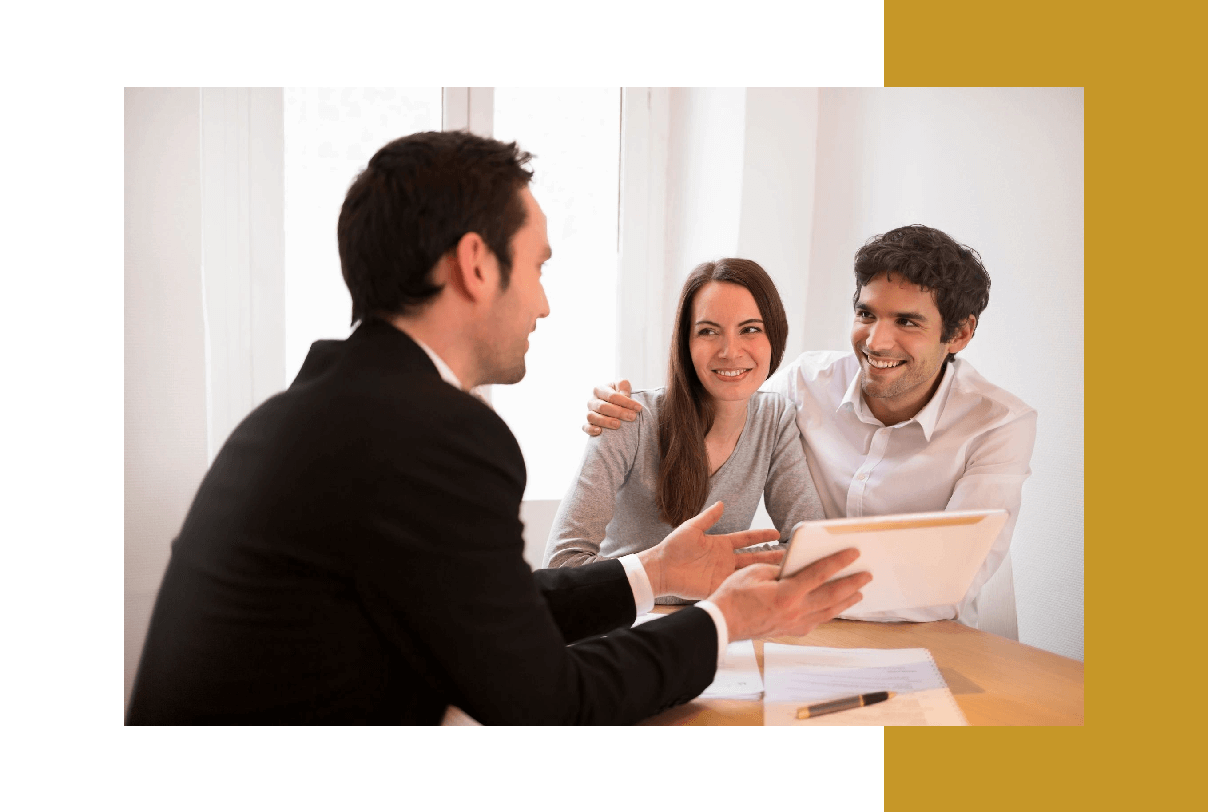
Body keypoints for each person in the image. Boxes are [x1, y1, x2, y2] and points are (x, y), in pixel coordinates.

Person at [126, 130, 871, 726]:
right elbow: (545, 701)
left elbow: (493, 612)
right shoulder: (434, 434)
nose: (543, 305)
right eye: (538, 268)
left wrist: (655, 572)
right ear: (477, 265)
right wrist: (721, 622)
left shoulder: (325, 406)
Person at [585, 225, 1036, 628]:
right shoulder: (804, 384)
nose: (877, 341)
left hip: (928, 632)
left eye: (907, 322)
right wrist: (624, 407)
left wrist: (757, 582)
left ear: (958, 334)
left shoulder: (997, 424)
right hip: (807, 625)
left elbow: (947, 581)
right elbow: (728, 384)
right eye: (867, 314)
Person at [544, 259, 824, 605]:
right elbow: (562, 568)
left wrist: (712, 575)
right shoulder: (629, 419)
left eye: (750, 329)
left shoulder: (775, 417)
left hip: (717, 625)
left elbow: (809, 547)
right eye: (708, 331)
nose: (730, 351)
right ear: (685, 344)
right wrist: (678, 577)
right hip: (626, 626)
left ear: (775, 337)